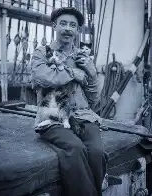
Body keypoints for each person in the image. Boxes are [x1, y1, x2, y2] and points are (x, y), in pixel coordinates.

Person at [31, 7, 107, 196]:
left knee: (97, 153)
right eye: (63, 23)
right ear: (55, 25)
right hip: (54, 117)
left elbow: (93, 100)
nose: (67, 28)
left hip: (83, 116)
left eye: (72, 25)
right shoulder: (42, 52)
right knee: (75, 148)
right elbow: (41, 77)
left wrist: (92, 73)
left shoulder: (83, 57)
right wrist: (73, 73)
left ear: (77, 30)